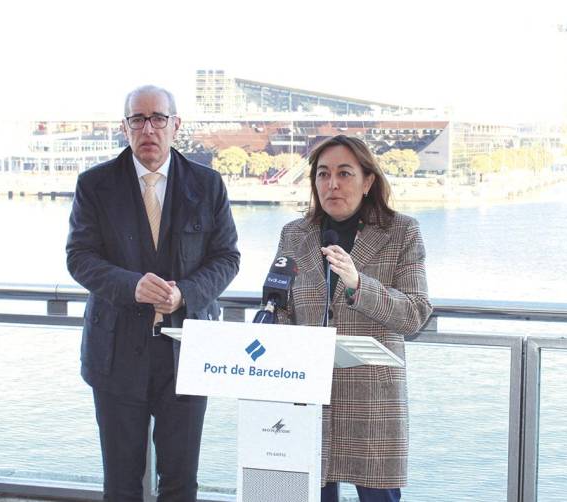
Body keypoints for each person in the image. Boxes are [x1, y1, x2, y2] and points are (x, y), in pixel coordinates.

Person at [66, 84, 240, 502]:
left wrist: (187, 294)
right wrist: (132, 286)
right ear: (124, 128)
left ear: (175, 125)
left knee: (181, 482)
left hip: (187, 351)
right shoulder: (95, 185)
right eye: (137, 119)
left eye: (158, 118)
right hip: (115, 353)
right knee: (122, 484)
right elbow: (79, 257)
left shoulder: (208, 184)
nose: (148, 128)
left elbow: (226, 258)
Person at [273, 135, 432, 502]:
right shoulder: (294, 234)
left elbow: (415, 313)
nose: (333, 184)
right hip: (306, 397)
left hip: (371, 400)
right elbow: (281, 306)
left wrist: (358, 284)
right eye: (323, 174)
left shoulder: (401, 231)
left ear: (368, 181)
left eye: (345, 173)